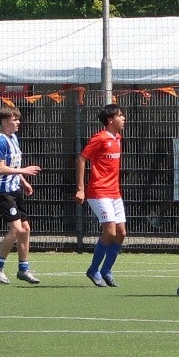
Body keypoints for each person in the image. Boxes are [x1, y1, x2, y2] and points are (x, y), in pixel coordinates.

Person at [0, 106, 41, 284]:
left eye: (18, 119)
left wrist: (23, 181)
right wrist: (24, 171)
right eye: (14, 119)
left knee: (25, 229)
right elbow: (1, 168)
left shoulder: (14, 138)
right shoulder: (0, 141)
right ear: (4, 122)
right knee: (16, 229)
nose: (18, 122)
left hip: (15, 190)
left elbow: (14, 164)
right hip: (2, 192)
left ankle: (24, 269)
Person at [76, 103, 127, 287]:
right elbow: (81, 159)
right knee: (110, 231)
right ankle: (93, 269)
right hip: (98, 192)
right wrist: (81, 188)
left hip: (115, 193)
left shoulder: (118, 138)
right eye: (120, 115)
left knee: (121, 233)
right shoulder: (100, 138)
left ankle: (106, 271)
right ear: (110, 120)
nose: (123, 118)